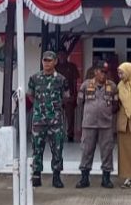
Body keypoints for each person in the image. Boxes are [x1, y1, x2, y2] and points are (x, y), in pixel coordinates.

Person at [29, 50, 69, 188]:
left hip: (55, 121)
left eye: (49, 60)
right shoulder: (34, 78)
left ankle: (56, 177)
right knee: (37, 148)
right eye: (45, 60)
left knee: (57, 149)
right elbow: (31, 95)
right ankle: (36, 175)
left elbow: (66, 97)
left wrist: (54, 108)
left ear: (55, 61)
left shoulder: (61, 79)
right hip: (39, 119)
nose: (47, 63)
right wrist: (40, 107)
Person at [76, 59, 117, 189]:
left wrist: (107, 111)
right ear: (95, 72)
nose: (104, 75)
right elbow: (79, 102)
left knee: (107, 151)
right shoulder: (86, 85)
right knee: (86, 150)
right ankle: (84, 177)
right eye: (101, 72)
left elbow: (116, 105)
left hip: (106, 125)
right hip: (89, 124)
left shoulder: (112, 86)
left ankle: (106, 178)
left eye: (106, 72)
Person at [55, 51, 81, 142]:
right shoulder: (55, 67)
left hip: (69, 94)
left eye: (63, 55)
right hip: (57, 95)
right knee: (55, 115)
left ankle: (70, 134)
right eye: (60, 55)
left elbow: (75, 81)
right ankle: (56, 134)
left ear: (66, 55)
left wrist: (74, 94)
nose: (61, 56)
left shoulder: (72, 66)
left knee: (70, 116)